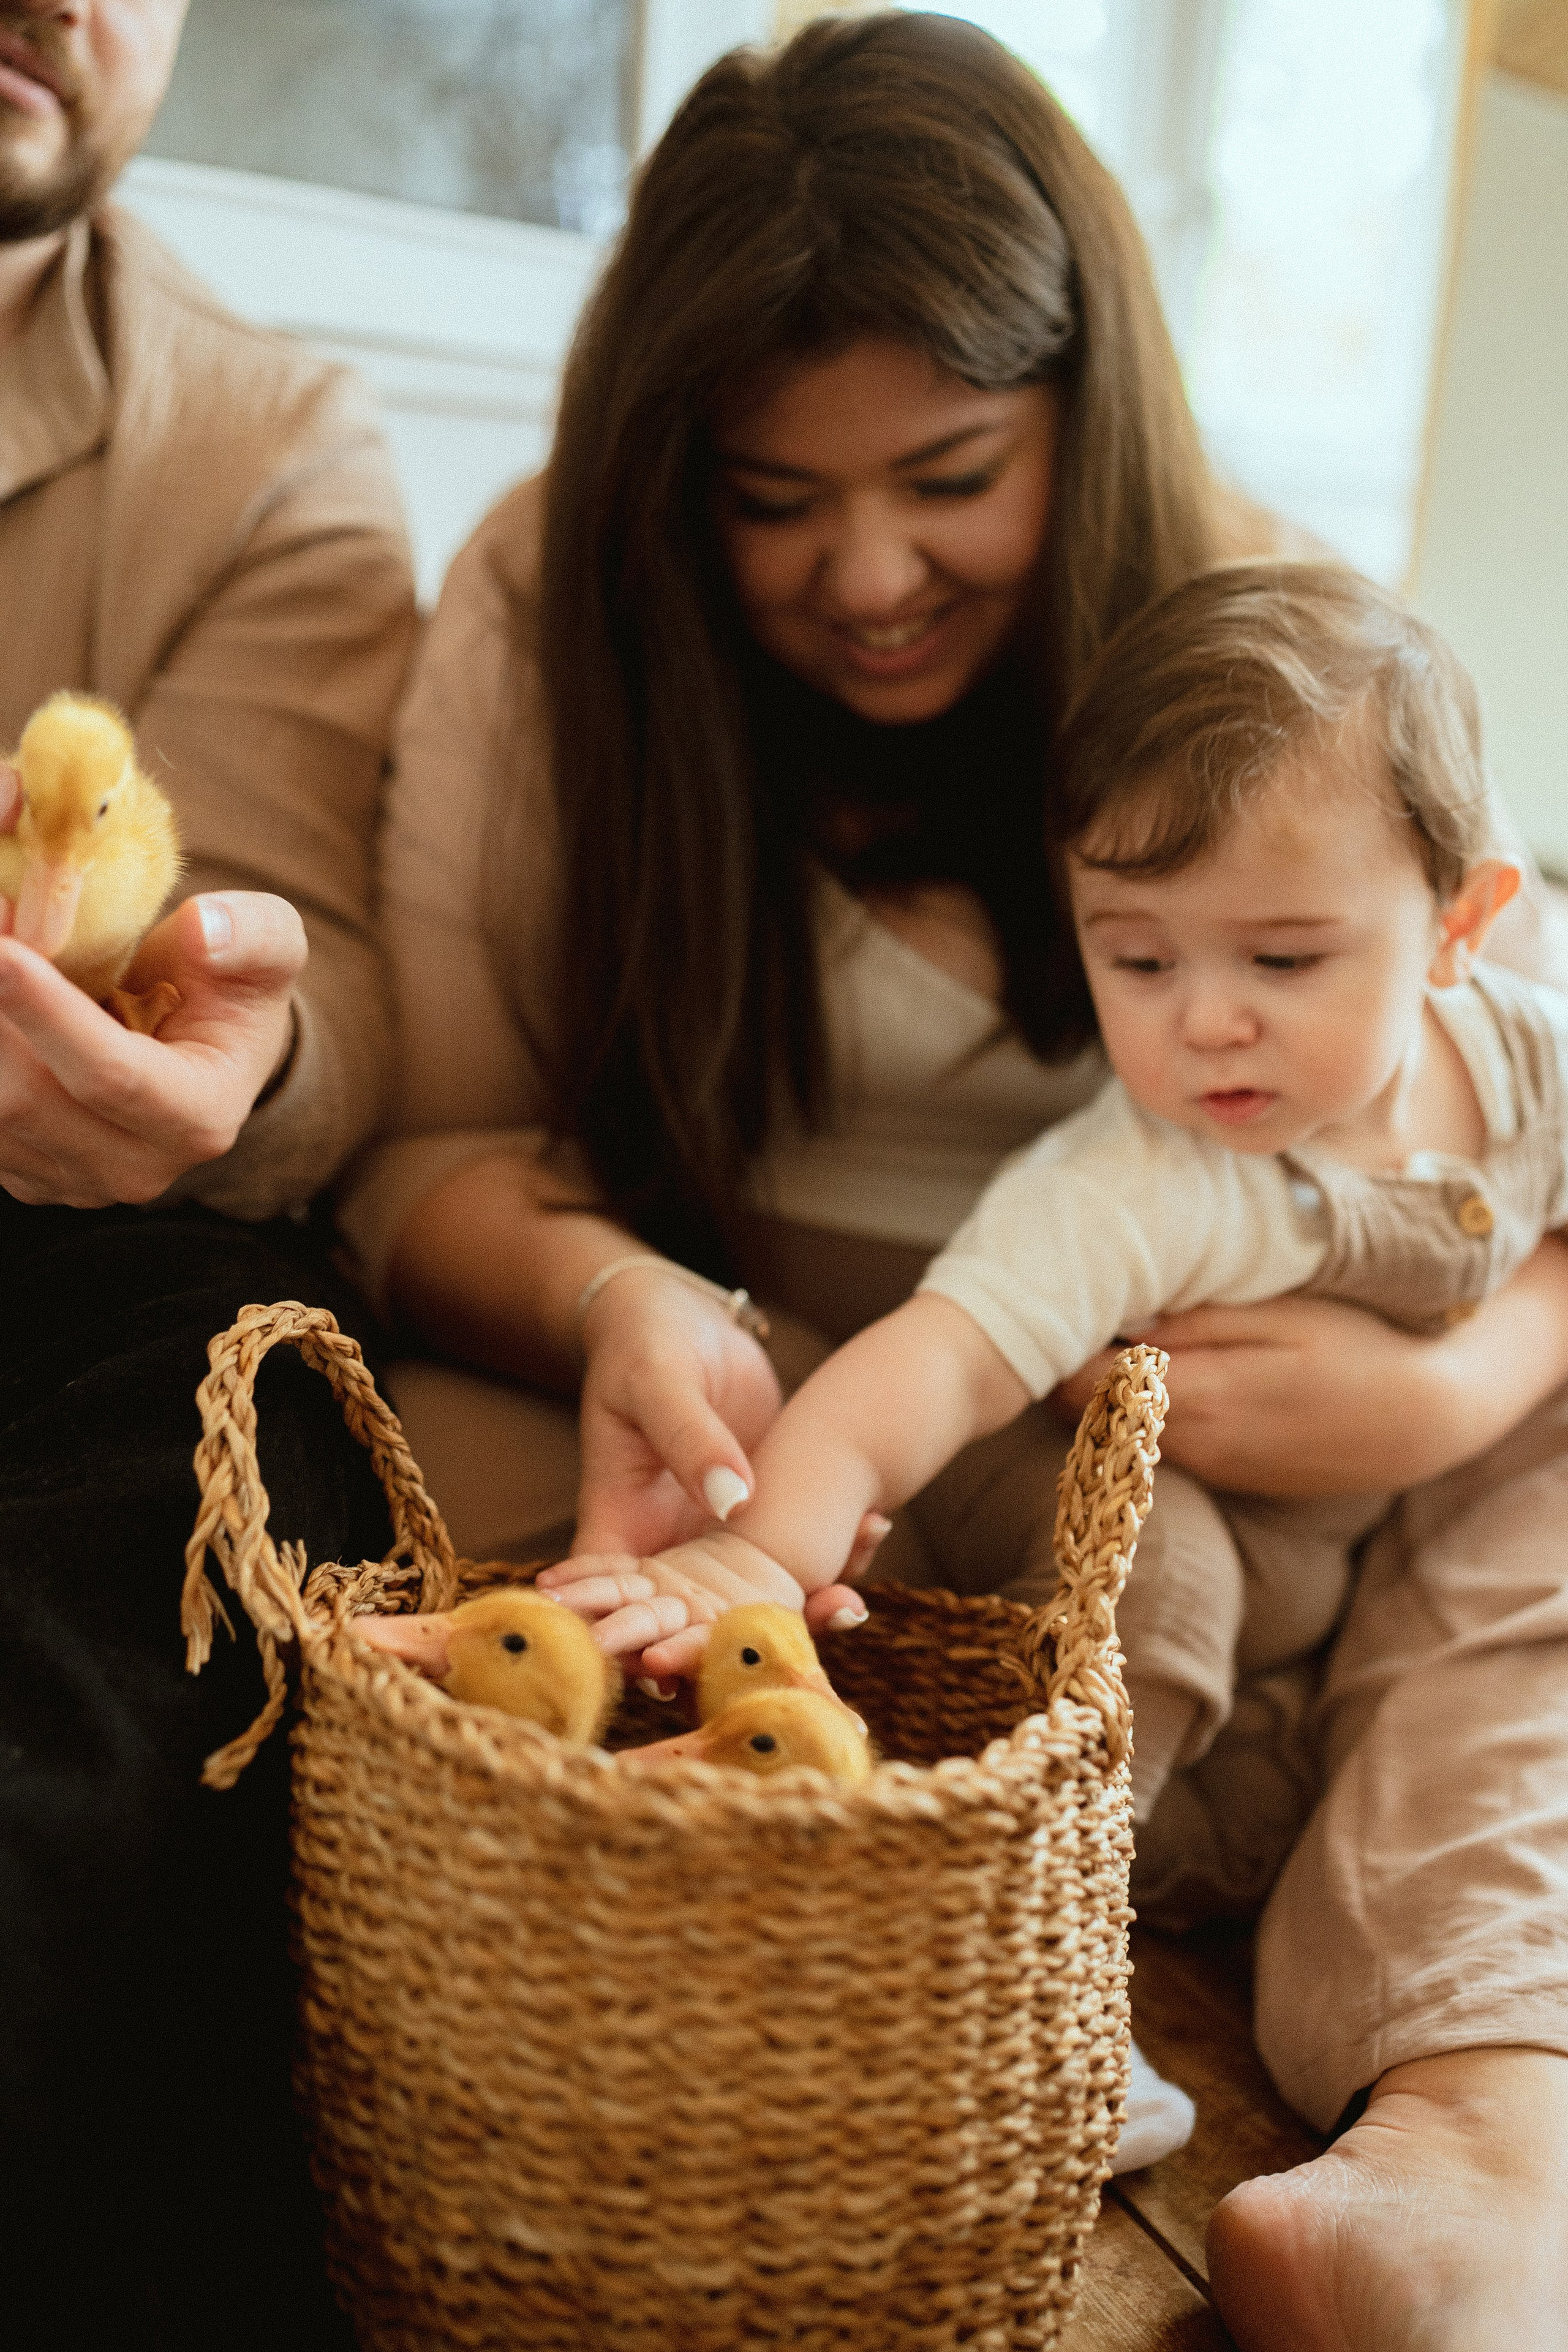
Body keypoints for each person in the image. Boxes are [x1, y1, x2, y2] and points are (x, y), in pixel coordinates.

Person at [342, 15, 1568, 2349]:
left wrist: (1464, 1381)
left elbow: (1520, 1083)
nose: (869, 571)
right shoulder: (550, 620)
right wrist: (626, 1307)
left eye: (950, 472)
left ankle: (1478, 2126)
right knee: (538, 1549)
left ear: (1083, 421)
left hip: (1281, 1394)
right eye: (772, 500)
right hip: (774, 1362)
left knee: (1539, 1485)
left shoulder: (1259, 644)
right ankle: (933, 1946)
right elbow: (417, 1160)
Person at [545, 554, 1568, 2199]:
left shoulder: (1525, 1059)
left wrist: (1464, 1394)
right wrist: (761, 1546)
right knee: (1164, 1585)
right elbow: (925, 1371)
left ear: (1461, 926)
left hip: (1341, 1566)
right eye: (1138, 958)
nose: (1206, 1028)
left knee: (1277, 1801)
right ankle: (1041, 1983)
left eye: (1283, 963)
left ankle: (1066, 1888)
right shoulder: (1145, 1178)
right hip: (1092, 1517)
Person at [0, 4, 416, 2345]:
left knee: (251, 1455)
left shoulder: (270, 445)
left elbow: (314, 992)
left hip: (73, 1260)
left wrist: (229, 1070)